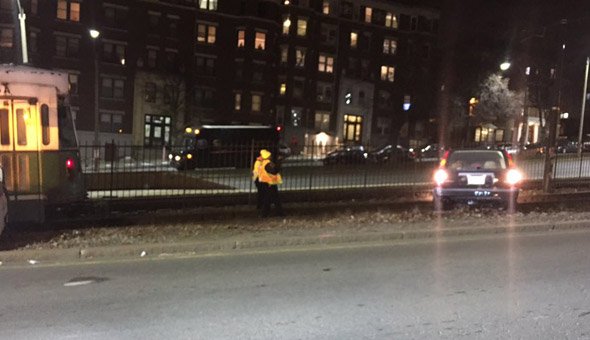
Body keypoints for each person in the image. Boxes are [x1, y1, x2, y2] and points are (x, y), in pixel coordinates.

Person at [257, 150, 284, 217]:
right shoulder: (267, 164)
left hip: (265, 183)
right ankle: (277, 213)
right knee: (272, 198)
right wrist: (279, 162)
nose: (271, 156)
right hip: (269, 183)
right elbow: (274, 171)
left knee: (270, 198)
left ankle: (267, 213)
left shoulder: (263, 163)